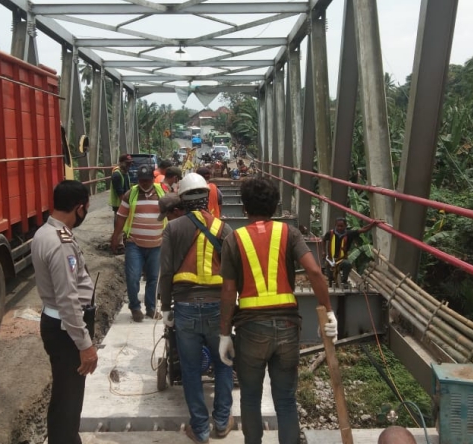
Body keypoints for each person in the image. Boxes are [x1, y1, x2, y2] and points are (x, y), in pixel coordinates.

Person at [218, 177, 338, 444]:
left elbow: (228, 292)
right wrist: (328, 310)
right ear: (274, 207)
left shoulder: (234, 240)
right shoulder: (289, 234)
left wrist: (224, 334)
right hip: (286, 328)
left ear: (245, 208)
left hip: (250, 330)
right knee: (285, 400)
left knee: (250, 397)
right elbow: (315, 271)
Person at [158, 173, 235, 443]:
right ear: (207, 197)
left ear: (182, 199)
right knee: (224, 363)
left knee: (190, 369)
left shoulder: (173, 228)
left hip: (185, 307)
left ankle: (200, 429)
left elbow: (166, 272)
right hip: (217, 308)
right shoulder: (225, 229)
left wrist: (165, 306)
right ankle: (223, 422)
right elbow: (234, 275)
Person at [31, 180, 98, 444]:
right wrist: (85, 344)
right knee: (69, 397)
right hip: (66, 328)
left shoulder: (45, 232)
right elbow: (68, 299)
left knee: (64, 393)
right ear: (79, 208)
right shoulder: (61, 243)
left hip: (58, 324)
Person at [111, 165, 166, 322]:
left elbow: (172, 212)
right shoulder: (131, 194)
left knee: (153, 278)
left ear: (152, 179)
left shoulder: (162, 193)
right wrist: (115, 236)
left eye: (147, 180)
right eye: (141, 180)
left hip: (157, 244)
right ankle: (135, 307)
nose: (144, 183)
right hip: (134, 243)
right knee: (133, 276)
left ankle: (151, 308)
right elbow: (121, 216)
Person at [322, 217, 375, 287]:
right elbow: (324, 240)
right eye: (338, 226)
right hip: (330, 259)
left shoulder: (349, 234)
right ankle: (331, 284)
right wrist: (323, 251)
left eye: (342, 226)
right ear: (335, 225)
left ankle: (344, 281)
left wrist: (373, 224)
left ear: (345, 226)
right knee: (330, 276)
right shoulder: (330, 233)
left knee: (347, 264)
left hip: (341, 259)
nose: (340, 228)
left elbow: (363, 229)